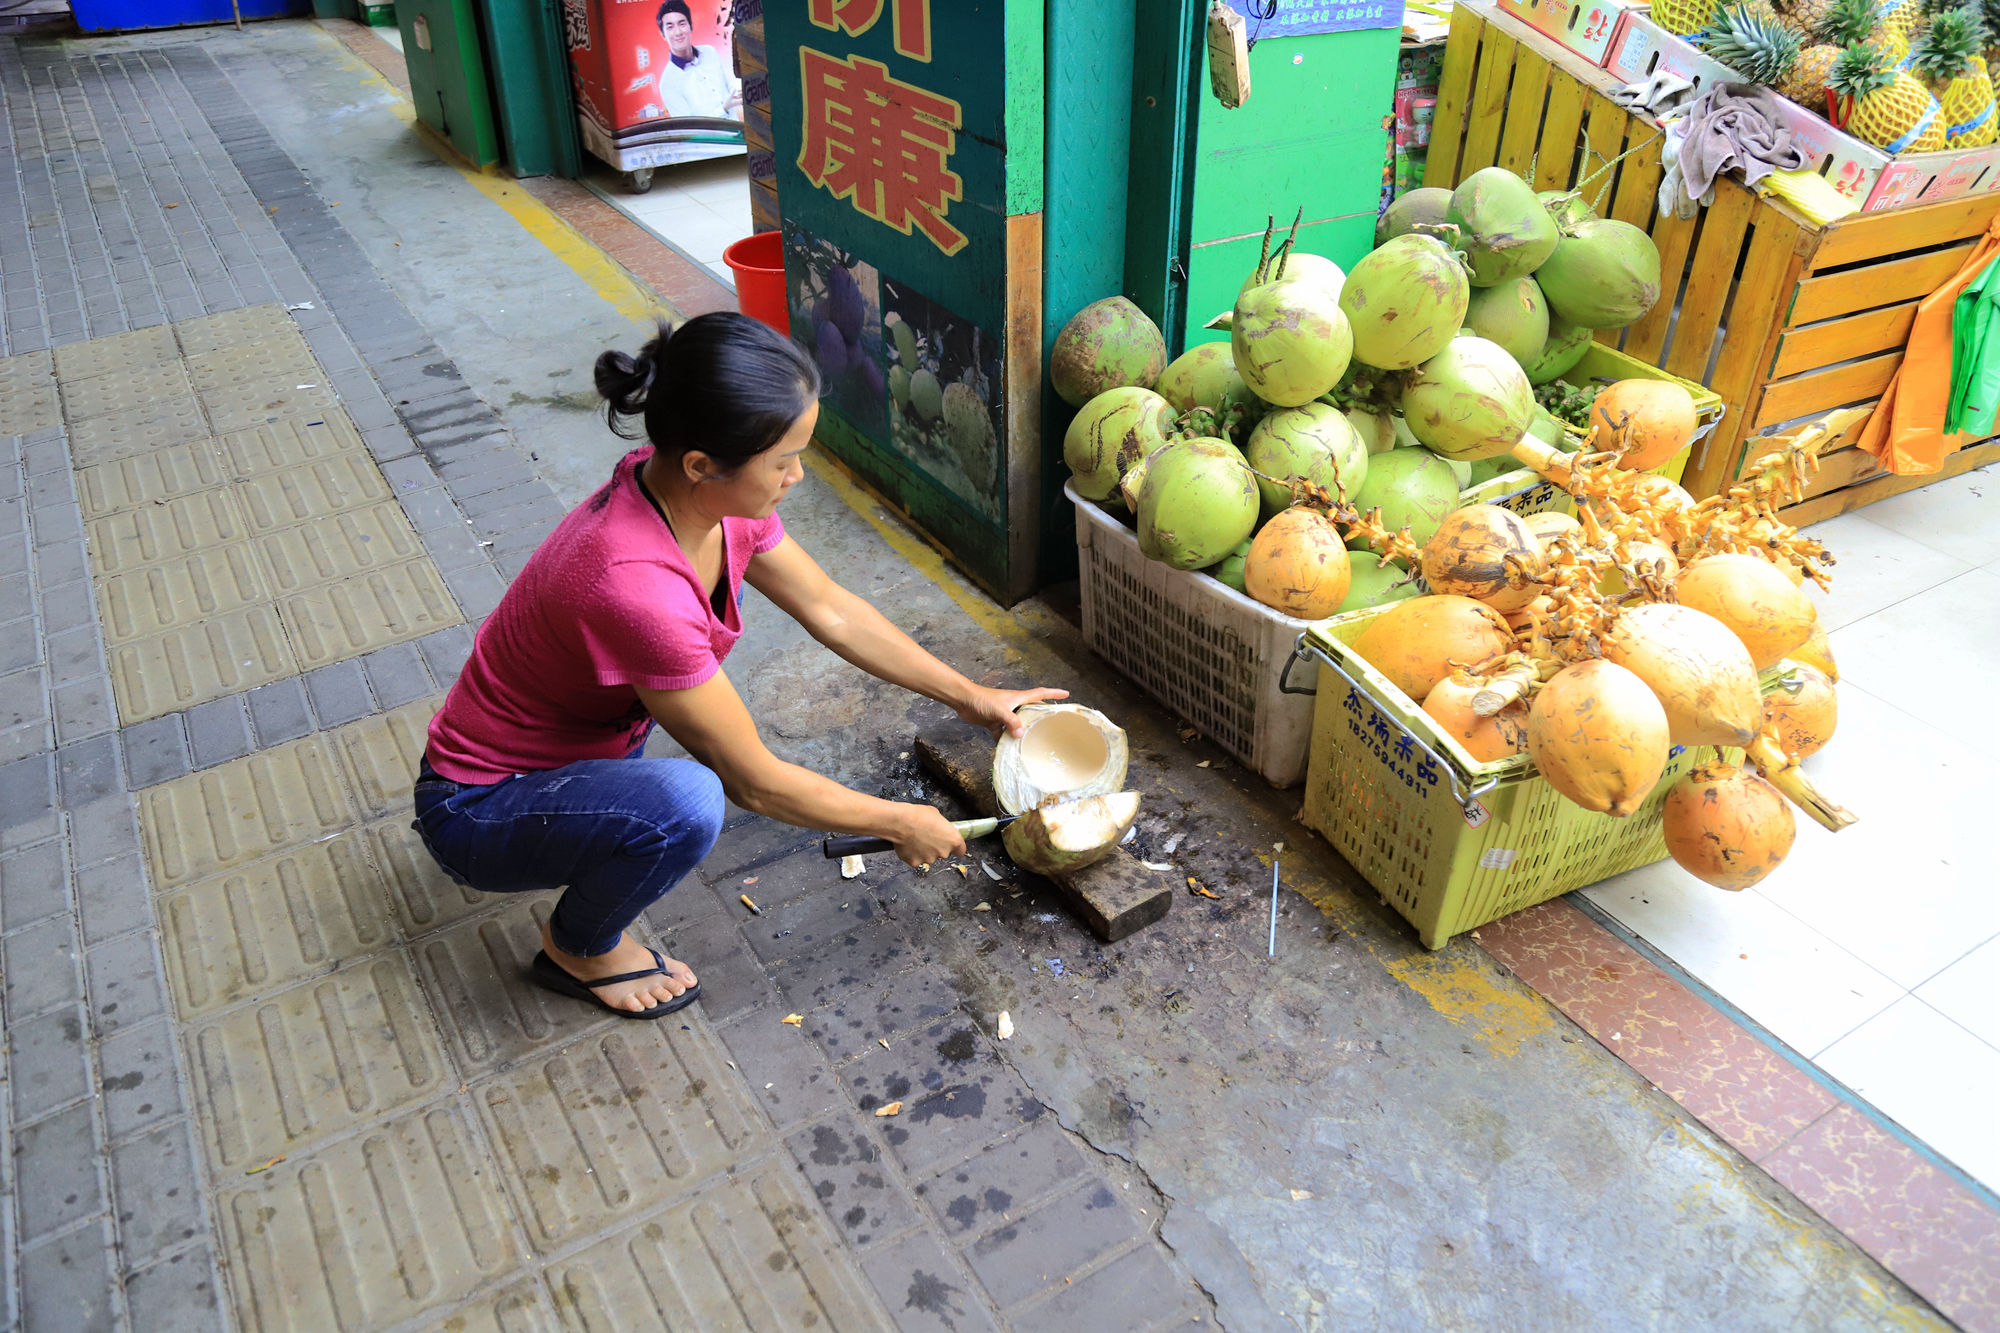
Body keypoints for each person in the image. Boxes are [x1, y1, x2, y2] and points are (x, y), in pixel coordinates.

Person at [411, 313, 1065, 1018]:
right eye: (783, 460)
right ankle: (579, 945)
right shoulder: (636, 588)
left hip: (571, 758)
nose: (797, 475)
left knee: (684, 770)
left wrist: (970, 696)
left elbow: (830, 608)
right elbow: (753, 782)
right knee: (687, 804)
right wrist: (902, 821)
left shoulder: (706, 502)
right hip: (477, 805)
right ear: (701, 463)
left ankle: (591, 836)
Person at [655, 0, 740, 120]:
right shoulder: (667, 83)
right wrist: (724, 109)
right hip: (711, 139)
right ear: (663, 34)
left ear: (691, 26)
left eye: (682, 23)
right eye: (670, 27)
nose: (678, 32)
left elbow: (729, 84)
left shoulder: (710, 52)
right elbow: (690, 129)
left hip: (740, 131)